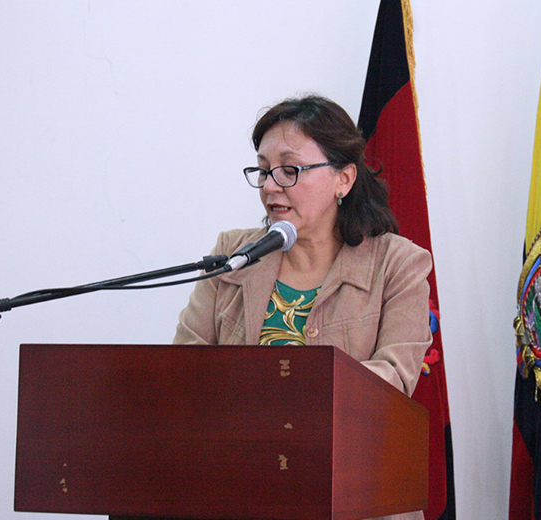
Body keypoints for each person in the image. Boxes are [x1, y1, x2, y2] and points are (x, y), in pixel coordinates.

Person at [173, 95, 431, 520]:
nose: (271, 185)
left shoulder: (397, 264)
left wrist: (279, 395)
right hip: (243, 495)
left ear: (343, 179)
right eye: (263, 170)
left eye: (289, 170)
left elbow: (394, 379)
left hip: (357, 498)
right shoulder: (233, 256)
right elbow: (186, 368)